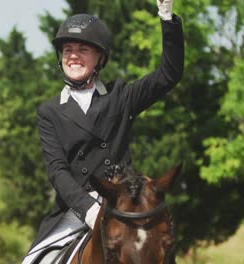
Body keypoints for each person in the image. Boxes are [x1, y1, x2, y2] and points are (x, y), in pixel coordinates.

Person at [22, 0, 184, 263]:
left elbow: (170, 74)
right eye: (67, 49)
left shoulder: (121, 96)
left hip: (124, 202)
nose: (73, 55)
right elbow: (57, 171)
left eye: (83, 49)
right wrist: (88, 210)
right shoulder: (49, 112)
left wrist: (166, 18)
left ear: (100, 58)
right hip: (76, 209)